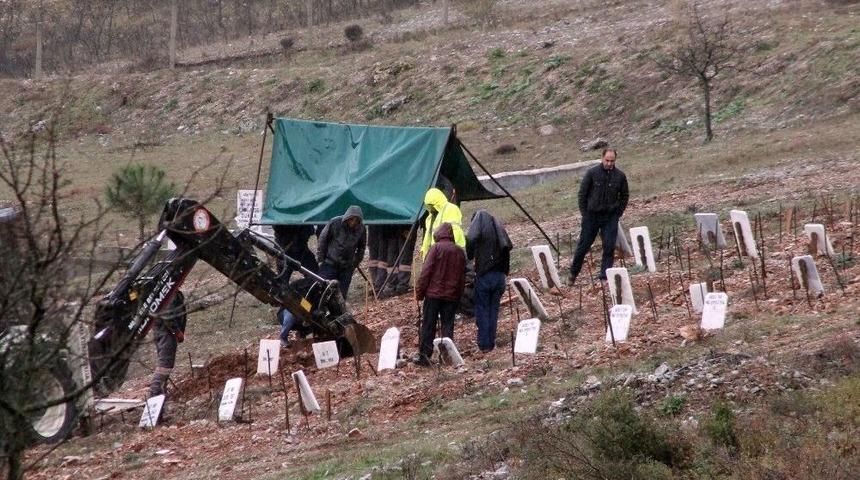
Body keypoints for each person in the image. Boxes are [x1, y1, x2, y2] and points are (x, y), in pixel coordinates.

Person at [568, 147, 629, 284]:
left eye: (612, 161)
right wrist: (585, 214)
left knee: (609, 246)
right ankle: (572, 274)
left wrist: (618, 213)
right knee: (583, 246)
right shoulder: (592, 173)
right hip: (592, 216)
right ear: (602, 158)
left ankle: (605, 277)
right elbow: (582, 194)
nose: (609, 163)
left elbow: (624, 196)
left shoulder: (620, 176)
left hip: (610, 217)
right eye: (607, 160)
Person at [414, 222, 466, 366]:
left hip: (433, 295)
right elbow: (462, 276)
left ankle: (425, 356)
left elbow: (426, 272)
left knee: (428, 325)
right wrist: (459, 295)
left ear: (438, 234)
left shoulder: (435, 248)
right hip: (452, 296)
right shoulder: (459, 251)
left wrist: (419, 293)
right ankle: (447, 356)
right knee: (448, 325)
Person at [466, 210, 511, 353]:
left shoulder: (479, 229)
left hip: (485, 275)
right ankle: (490, 343)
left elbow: (470, 239)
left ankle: (484, 344)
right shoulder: (498, 228)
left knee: (482, 310)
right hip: (500, 277)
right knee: (493, 311)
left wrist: (470, 255)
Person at [316, 205, 366, 298]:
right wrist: (321, 258)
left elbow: (362, 247)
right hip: (329, 264)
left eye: (356, 220)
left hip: (347, 268)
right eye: (352, 219)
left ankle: (337, 312)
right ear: (348, 217)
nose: (353, 222)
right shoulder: (335, 223)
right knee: (320, 290)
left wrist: (355, 262)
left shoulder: (361, 229)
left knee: (341, 296)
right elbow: (323, 240)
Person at [149, 292, 187, 397]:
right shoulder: (169, 293)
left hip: (162, 331)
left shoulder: (170, 292)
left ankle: (161, 394)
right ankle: (155, 394)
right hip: (166, 332)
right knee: (165, 364)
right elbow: (167, 315)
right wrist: (177, 331)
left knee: (166, 364)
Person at [420, 188, 466, 260]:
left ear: (437, 203)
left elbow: (454, 232)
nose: (430, 208)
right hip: (437, 254)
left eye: (431, 205)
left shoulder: (451, 209)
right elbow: (428, 237)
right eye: (428, 206)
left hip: (450, 254)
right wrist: (424, 250)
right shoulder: (430, 217)